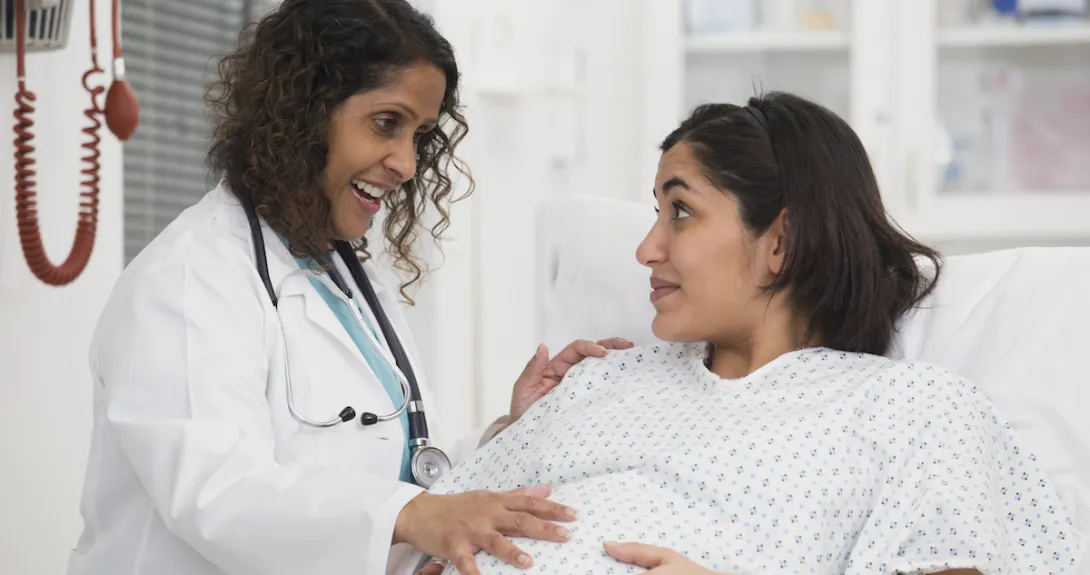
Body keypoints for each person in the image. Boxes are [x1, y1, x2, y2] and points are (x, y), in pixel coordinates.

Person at [66, 2, 632, 575]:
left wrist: (508, 432)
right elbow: (219, 496)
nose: (408, 163)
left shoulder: (339, 274)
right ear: (302, 112)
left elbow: (393, 467)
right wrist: (411, 516)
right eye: (387, 123)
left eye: (420, 134)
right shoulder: (187, 281)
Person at [419, 92, 1085, 575]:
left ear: (781, 243)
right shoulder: (603, 375)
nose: (647, 247)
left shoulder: (917, 408)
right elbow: (430, 540)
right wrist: (511, 428)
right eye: (656, 211)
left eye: (681, 210)